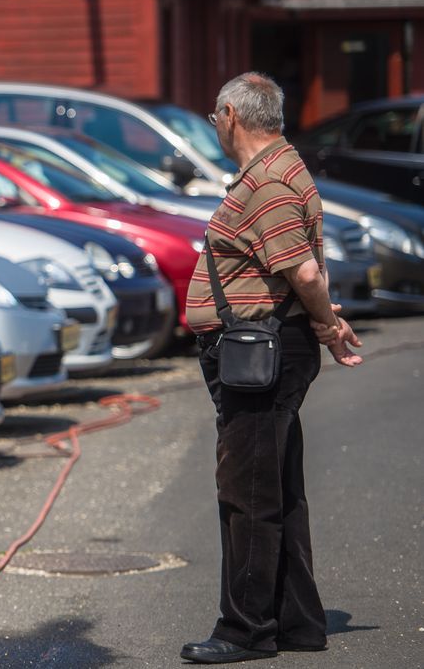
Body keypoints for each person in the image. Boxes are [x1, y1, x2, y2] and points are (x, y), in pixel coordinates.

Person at [179, 73, 363, 664]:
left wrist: (326, 325)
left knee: (247, 494)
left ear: (230, 115)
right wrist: (321, 322)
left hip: (261, 351)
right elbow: (304, 269)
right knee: (277, 489)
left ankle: (245, 630)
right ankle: (297, 623)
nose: (215, 126)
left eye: (214, 117)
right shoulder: (282, 171)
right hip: (267, 345)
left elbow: (305, 275)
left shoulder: (269, 182)